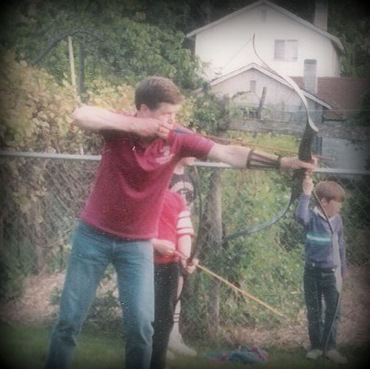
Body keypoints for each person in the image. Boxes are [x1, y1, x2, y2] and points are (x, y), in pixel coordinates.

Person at [44, 76, 315, 369]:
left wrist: (282, 163)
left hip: (137, 244)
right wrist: (136, 126)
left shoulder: (177, 138)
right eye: (166, 114)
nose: (172, 121)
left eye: (175, 114)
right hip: (93, 235)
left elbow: (226, 152)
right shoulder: (118, 126)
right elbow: (80, 115)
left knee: (141, 328)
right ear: (144, 110)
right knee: (69, 320)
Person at [295, 175, 347, 364]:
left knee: (334, 311)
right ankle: (316, 347)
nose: (340, 207)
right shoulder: (311, 217)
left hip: (332, 274)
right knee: (315, 311)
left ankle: (330, 348)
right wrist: (307, 193)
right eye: (337, 203)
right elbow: (300, 217)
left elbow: (340, 246)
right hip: (312, 272)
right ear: (324, 202)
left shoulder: (337, 220)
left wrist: (343, 271)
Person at [150, 188, 197, 369]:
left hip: (169, 266)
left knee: (165, 316)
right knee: (144, 318)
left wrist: (186, 259)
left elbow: (184, 232)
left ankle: (157, 361)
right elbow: (130, 231)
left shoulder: (176, 199)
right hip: (143, 264)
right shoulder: (143, 195)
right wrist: (155, 243)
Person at [167, 157, 198, 357]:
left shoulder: (191, 177)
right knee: (164, 289)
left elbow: (190, 208)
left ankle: (174, 335)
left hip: (182, 232)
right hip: (166, 235)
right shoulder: (166, 175)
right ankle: (160, 339)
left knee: (178, 284)